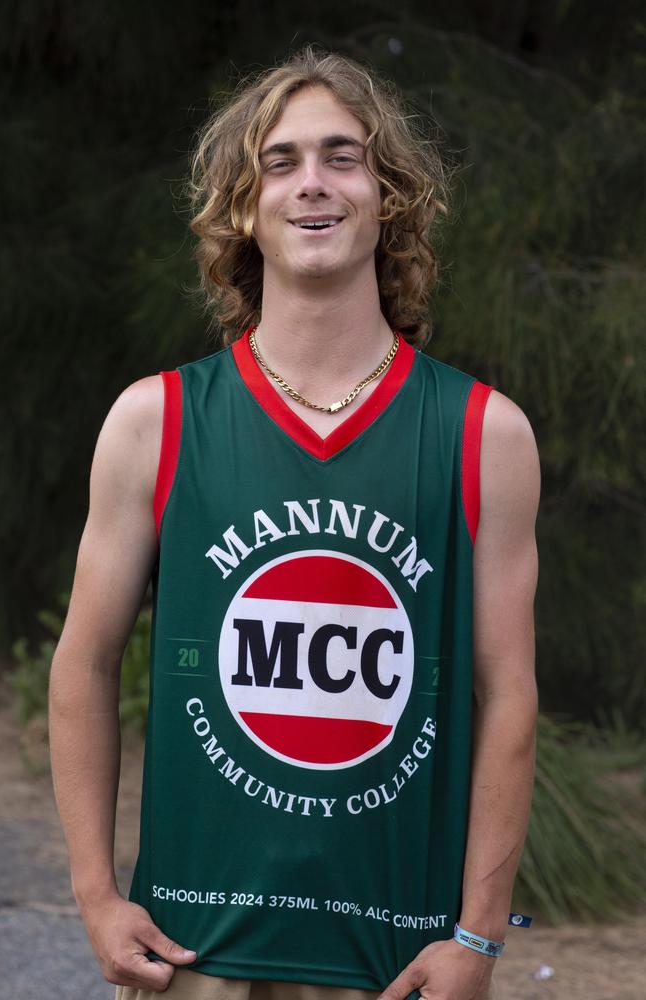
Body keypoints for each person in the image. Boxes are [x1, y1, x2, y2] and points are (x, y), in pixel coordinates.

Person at [49, 47, 540, 1000]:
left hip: (393, 966)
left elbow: (507, 692)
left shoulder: (484, 434)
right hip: (194, 959)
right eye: (280, 162)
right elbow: (85, 661)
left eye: (343, 157)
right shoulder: (156, 421)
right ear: (245, 205)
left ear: (388, 194)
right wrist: (96, 894)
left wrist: (480, 938)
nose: (312, 183)